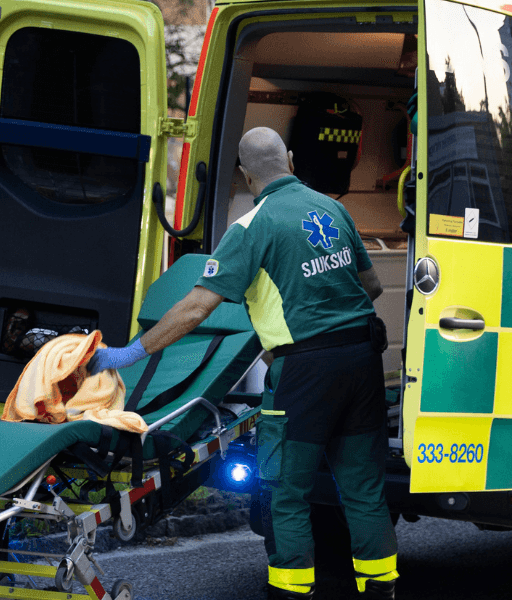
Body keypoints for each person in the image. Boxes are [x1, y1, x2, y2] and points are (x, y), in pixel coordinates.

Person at [88, 127, 399, 600]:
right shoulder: (333, 209)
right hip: (361, 361)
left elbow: (195, 308)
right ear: (291, 159)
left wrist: (129, 353)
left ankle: (292, 593)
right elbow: (371, 286)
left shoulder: (253, 227)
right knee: (364, 490)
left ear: (244, 175)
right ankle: (380, 592)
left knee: (286, 494)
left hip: (305, 374)